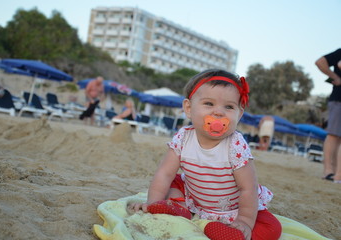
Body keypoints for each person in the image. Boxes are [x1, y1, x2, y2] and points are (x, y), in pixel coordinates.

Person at [129, 69, 282, 240]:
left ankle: (232, 233)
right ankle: (179, 208)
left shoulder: (236, 145)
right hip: (195, 198)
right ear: (188, 108)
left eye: (229, 107)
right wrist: (152, 204)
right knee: (173, 179)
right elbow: (164, 173)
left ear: (239, 114)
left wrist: (245, 221)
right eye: (209, 104)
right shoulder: (183, 137)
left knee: (272, 228)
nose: (218, 112)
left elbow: (248, 188)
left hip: (233, 208)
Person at [315, 48, 341, 183]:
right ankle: (328, 171)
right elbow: (320, 62)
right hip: (338, 99)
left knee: (338, 138)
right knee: (333, 135)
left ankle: (337, 173)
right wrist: (335, 77)